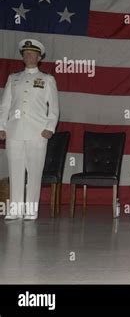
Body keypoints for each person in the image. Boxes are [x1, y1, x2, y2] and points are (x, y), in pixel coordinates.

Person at [0, 39, 59, 220]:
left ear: (39, 57)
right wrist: (2, 126)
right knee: (15, 171)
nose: (29, 56)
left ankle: (31, 210)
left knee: (34, 172)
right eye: (26, 54)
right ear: (22, 57)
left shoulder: (47, 79)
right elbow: (5, 105)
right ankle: (15, 209)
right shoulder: (13, 78)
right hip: (15, 131)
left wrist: (49, 127)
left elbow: (54, 108)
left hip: (37, 132)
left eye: (32, 54)